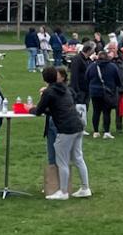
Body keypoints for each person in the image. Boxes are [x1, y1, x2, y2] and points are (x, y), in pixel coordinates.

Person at [34, 66, 89, 199]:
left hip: (66, 129)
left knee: (62, 161)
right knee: (78, 158)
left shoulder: (49, 92)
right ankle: (85, 187)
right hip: (78, 125)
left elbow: (38, 111)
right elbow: (58, 107)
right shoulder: (66, 89)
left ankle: (63, 192)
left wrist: (30, 108)